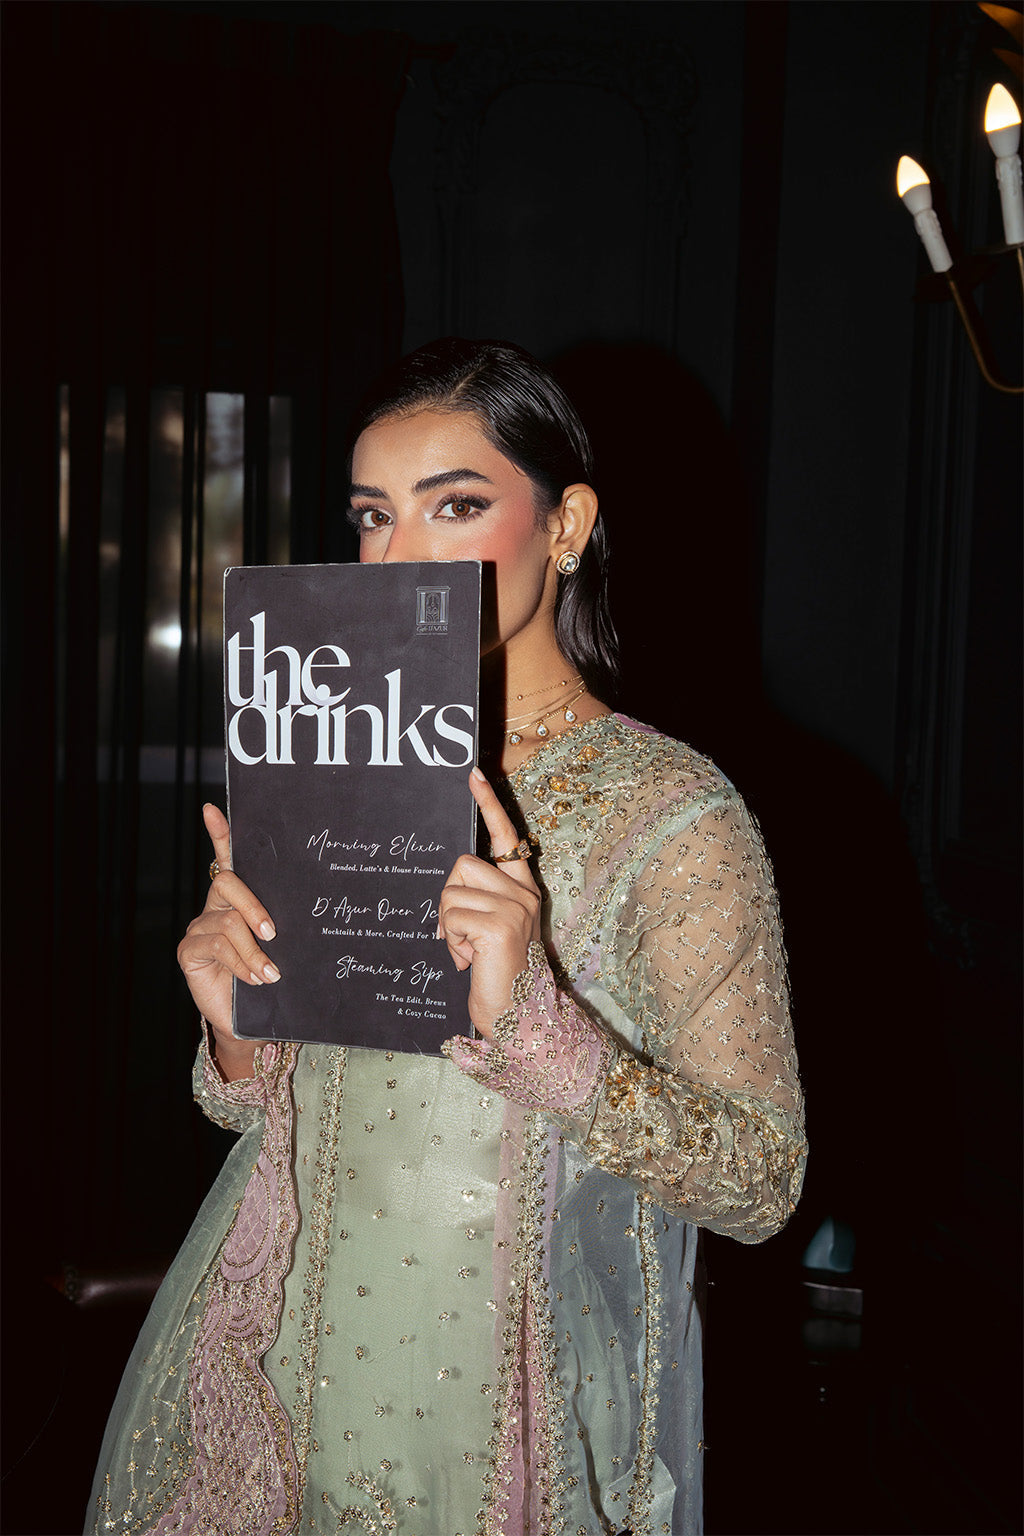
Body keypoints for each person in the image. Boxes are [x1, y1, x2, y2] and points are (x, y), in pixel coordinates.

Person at [87, 339, 805, 1536]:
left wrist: (540, 1033)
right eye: (374, 516)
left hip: (485, 1404)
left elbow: (760, 1183)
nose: (401, 556)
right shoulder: (325, 758)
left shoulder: (670, 811)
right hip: (275, 1355)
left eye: (455, 505)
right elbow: (277, 1114)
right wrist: (239, 1025)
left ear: (565, 525)